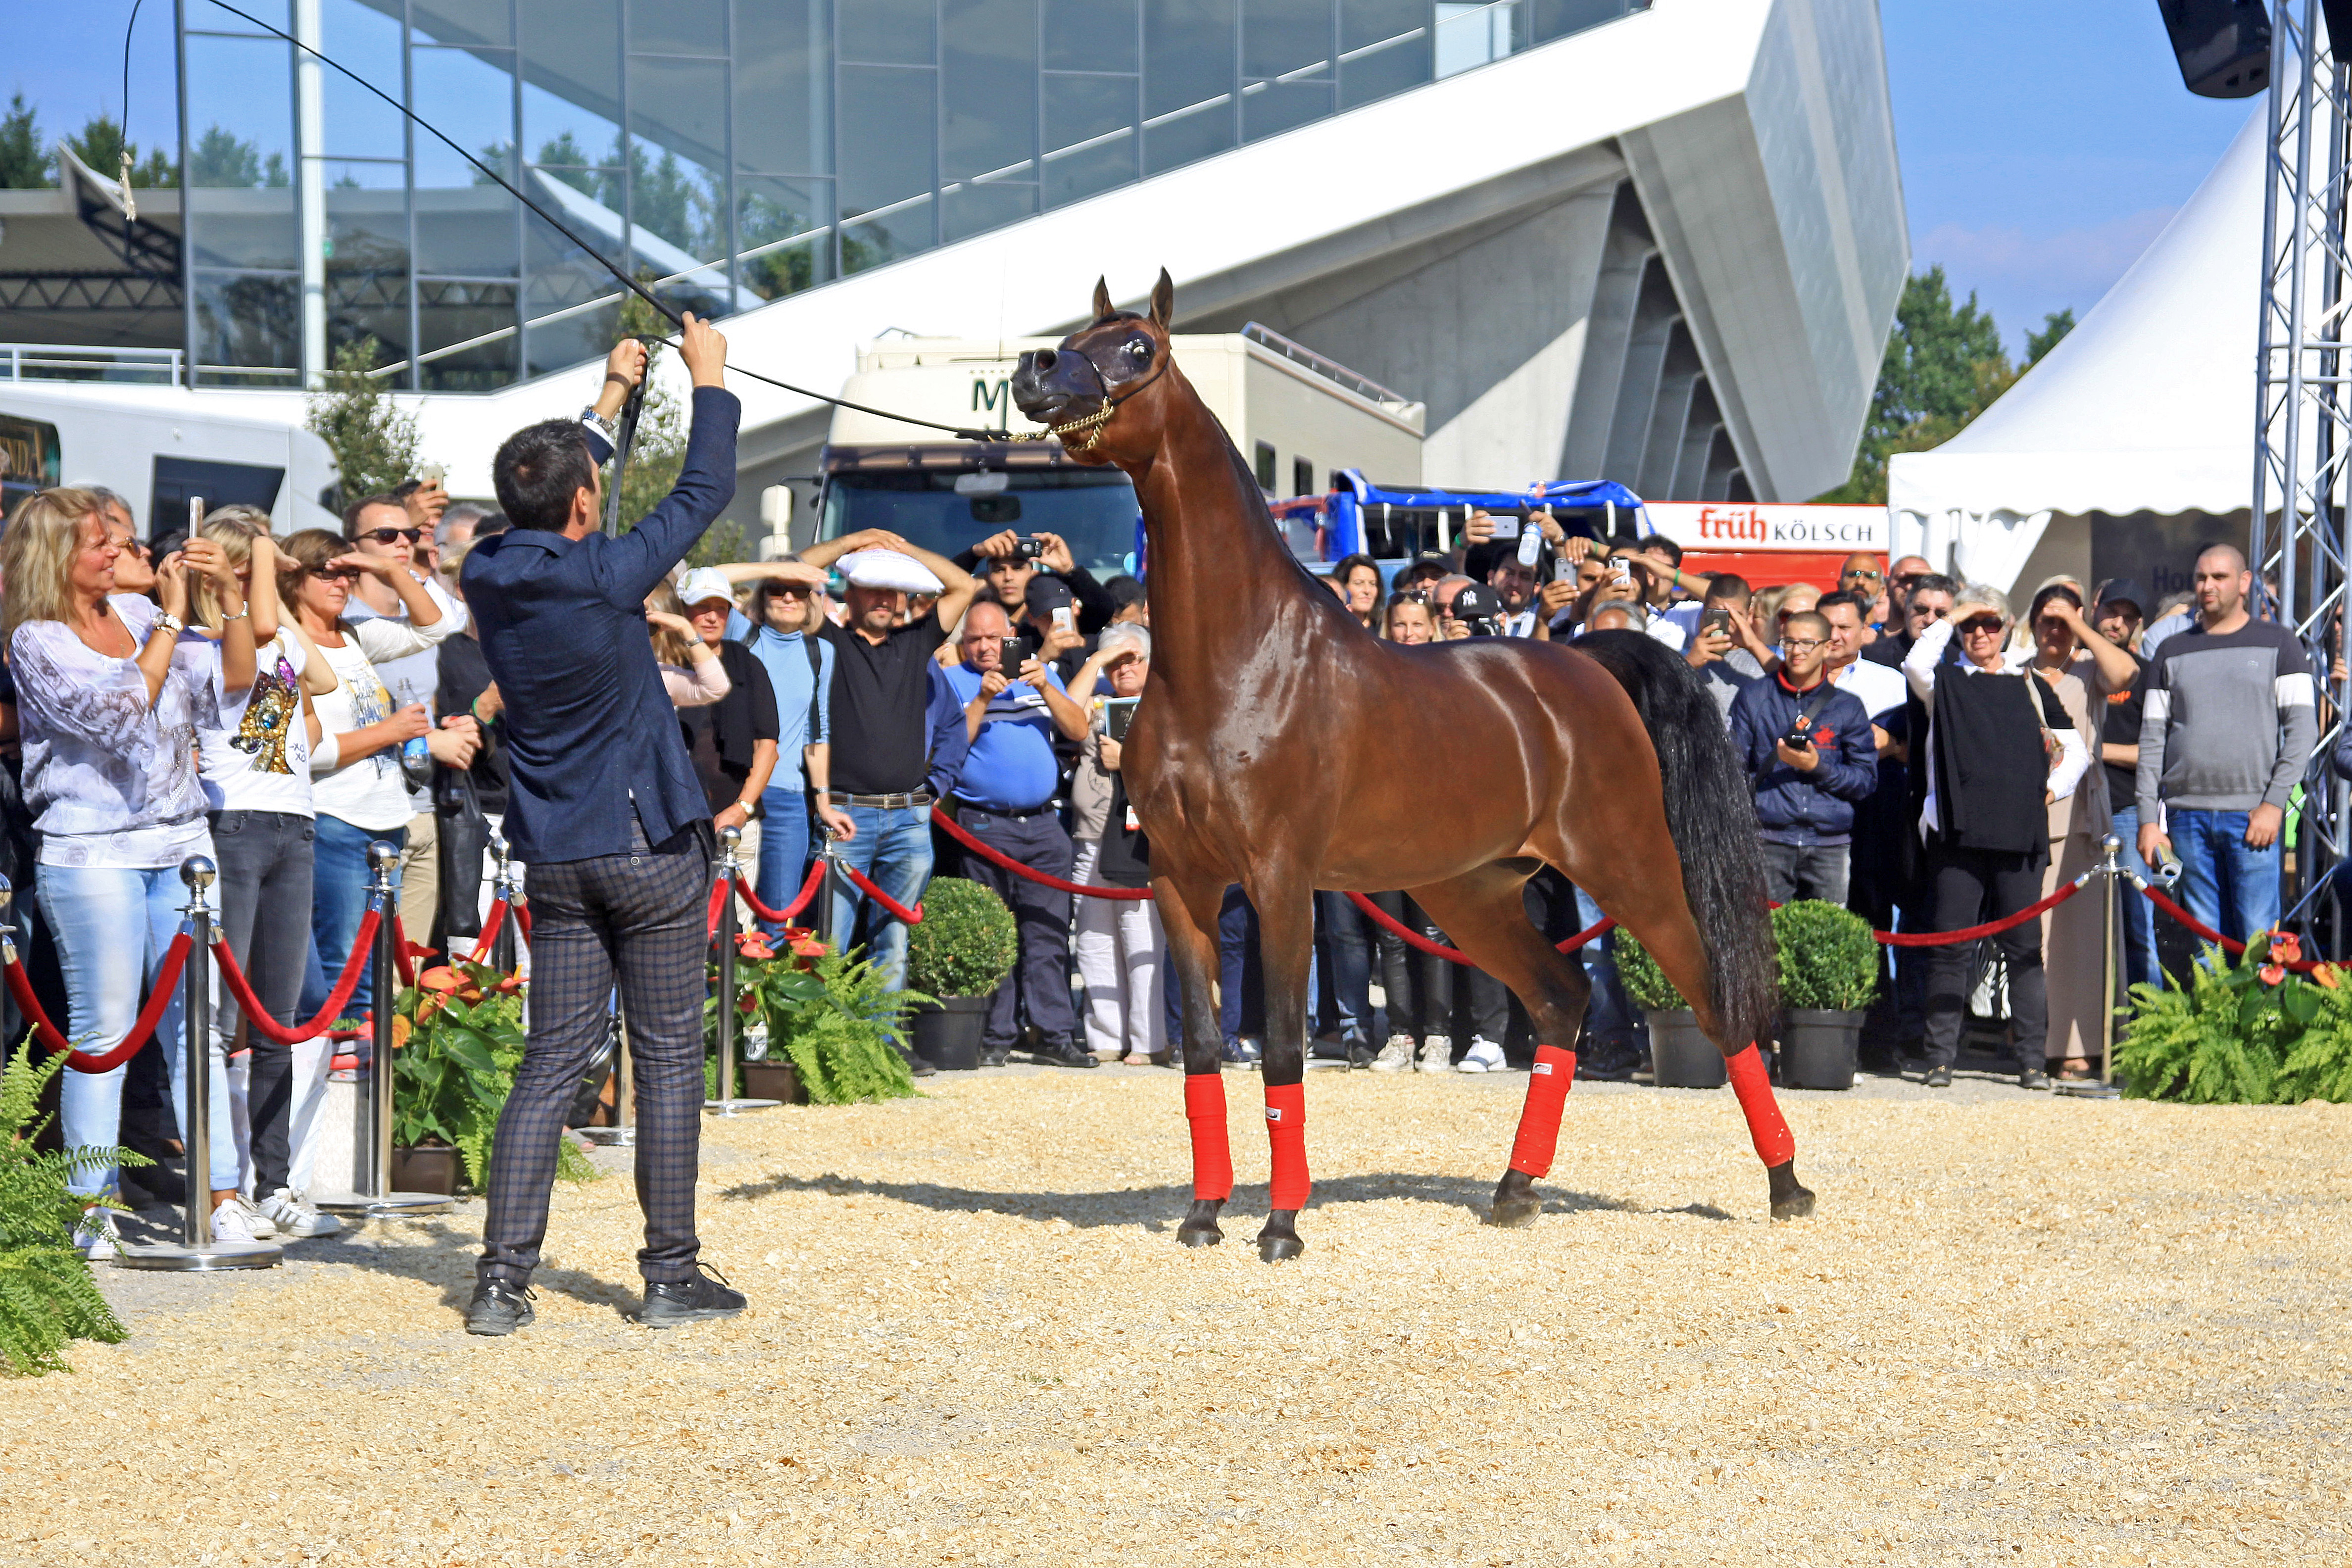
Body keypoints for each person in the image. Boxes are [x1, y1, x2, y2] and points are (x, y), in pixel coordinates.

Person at [463, 315, 781, 1336]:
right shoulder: (604, 574)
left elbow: (555, 489)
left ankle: (503, 1282)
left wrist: (612, 394)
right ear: (586, 506)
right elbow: (703, 492)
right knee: (669, 1059)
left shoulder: (486, 569)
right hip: (646, 849)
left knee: (549, 1062)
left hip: (556, 853)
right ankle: (670, 1274)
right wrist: (711, 380)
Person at [2, 488, 243, 1254]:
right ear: (57, 557)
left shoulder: (141, 618)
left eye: (117, 540)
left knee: (195, 1026)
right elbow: (117, 712)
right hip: (92, 849)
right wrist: (174, 618)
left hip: (182, 845)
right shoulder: (36, 640)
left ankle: (225, 1193)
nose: (118, 553)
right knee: (103, 1034)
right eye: (100, 544)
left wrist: (230, 595)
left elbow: (232, 684)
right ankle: (90, 1205)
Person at [187, 512, 342, 1240]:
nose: (277, 565)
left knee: (278, 1017)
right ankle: (218, 1191)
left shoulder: (282, 635)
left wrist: (268, 599)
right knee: (219, 1020)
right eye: (265, 556)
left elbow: (324, 677)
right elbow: (241, 665)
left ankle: (274, 1181)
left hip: (293, 824)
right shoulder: (210, 635)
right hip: (235, 824)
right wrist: (243, 582)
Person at [1904, 587, 2092, 1089]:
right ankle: (1941, 1058)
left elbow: (2076, 753)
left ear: (2008, 628)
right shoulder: (1942, 680)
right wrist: (1956, 614)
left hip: (2019, 837)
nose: (1980, 634)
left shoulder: (2029, 684)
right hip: (1957, 836)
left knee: (2025, 950)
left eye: (1990, 624)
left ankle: (2032, 1061)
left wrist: (2047, 794)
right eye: (1971, 625)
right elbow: (1915, 662)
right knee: (1950, 948)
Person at [795, 529, 981, 992]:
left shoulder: (916, 644)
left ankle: (878, 1057)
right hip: (844, 818)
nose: (883, 599)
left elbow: (965, 586)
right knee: (830, 948)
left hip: (909, 820)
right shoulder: (830, 642)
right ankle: (830, 1054)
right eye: (872, 588)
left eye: (892, 590)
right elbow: (794, 572)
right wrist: (854, 542)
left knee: (892, 949)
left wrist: (908, 551)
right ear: (850, 594)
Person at [285, 528, 455, 1027]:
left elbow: (435, 626)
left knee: (379, 964)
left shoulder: (354, 633)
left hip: (387, 819)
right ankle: (344, 1086)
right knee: (342, 966)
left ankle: (370, 1083)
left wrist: (388, 569)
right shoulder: (285, 644)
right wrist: (389, 733)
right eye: (325, 572)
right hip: (334, 820)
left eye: (348, 573)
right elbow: (303, 753)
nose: (340, 582)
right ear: (294, 578)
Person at [2136, 544, 2317, 946]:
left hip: (2253, 816)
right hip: (2186, 818)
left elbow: (2304, 731)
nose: (2208, 586)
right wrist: (2149, 819)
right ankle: (2210, 1014)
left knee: (2260, 942)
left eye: (2220, 577)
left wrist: (2273, 806)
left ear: (2245, 582)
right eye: (2201, 578)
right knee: (2205, 948)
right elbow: (2151, 741)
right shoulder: (2171, 650)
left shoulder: (2281, 644)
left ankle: (2263, 1014)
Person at [940, 598, 1094, 1069]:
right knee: (996, 935)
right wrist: (983, 699)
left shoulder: (1037, 673)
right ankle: (996, 1035)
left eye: (993, 638)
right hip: (985, 824)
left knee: (1047, 933)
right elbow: (947, 745)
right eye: (974, 640)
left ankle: (1054, 1033)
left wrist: (1046, 685)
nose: (985, 648)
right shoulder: (952, 682)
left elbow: (1078, 728)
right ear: (963, 644)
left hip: (1045, 824)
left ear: (1010, 636)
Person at [341, 491, 473, 945]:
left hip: (426, 808)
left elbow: (433, 703)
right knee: (361, 963)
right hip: (362, 815)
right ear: (354, 547)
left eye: (410, 534)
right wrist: (425, 743)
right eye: (386, 534)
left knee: (409, 971)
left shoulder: (427, 622)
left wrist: (462, 727)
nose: (402, 542)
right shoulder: (341, 622)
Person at [2023, 584, 2139, 1078]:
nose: (2055, 630)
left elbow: (2126, 672)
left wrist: (2078, 625)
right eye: (2046, 620)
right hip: (2028, 813)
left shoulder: (2091, 670)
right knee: (2037, 938)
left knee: (2085, 941)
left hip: (2083, 818)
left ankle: (2081, 1046)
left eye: (2062, 621)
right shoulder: (2014, 672)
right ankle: (2034, 1042)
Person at [708, 560, 839, 925]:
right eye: (777, 588)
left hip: (787, 799)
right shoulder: (740, 633)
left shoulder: (821, 653)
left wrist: (824, 803)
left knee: (777, 917)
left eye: (798, 590)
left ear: (811, 601)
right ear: (763, 596)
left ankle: (763, 985)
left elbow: (819, 730)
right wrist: (778, 566)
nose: (787, 596)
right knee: (721, 920)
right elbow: (709, 578)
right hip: (735, 793)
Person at [1727, 609, 1877, 904]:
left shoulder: (1847, 707)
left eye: (1807, 643)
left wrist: (1817, 768)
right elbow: (1732, 771)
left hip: (1829, 845)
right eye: (1789, 642)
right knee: (1766, 940)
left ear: (1826, 646)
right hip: (1767, 840)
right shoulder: (1754, 697)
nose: (1797, 651)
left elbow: (1865, 781)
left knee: (1827, 941)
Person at [1065, 624, 1164, 1065]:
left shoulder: (1166, 704)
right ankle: (1105, 1035)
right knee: (1092, 937)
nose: (1125, 668)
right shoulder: (1096, 701)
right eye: (1116, 661)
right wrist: (1097, 661)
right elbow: (1067, 713)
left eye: (1133, 659)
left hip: (1140, 838)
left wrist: (1130, 761)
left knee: (1140, 937)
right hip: (1090, 833)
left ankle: (1147, 1041)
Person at [674, 569, 781, 913]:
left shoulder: (747, 665)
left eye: (720, 608)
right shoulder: (664, 663)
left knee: (734, 930)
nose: (711, 616)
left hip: (737, 821)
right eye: (701, 606)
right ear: (681, 611)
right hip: (674, 823)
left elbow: (768, 746)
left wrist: (742, 808)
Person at [2090, 583, 2160, 991]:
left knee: (2140, 928)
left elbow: (2158, 753)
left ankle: (2149, 1029)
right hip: (2071, 810)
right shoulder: (2070, 665)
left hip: (2128, 812)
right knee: (2073, 926)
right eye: (2112, 612)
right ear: (2095, 609)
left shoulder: (2147, 673)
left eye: (2128, 617)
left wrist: (2094, 749)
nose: (2118, 623)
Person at [1681, 573, 1766, 719]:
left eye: (1734, 615)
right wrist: (1688, 665)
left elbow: (1794, 688)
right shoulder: (1683, 656)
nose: (1725, 622)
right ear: (1704, 611)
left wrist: (1753, 645)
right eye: (1717, 613)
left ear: (1749, 614)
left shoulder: (1765, 658)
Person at [1329, 553, 1383, 633]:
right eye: (1359, 583)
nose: (1367, 591)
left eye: (1373, 584)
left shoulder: (1384, 630)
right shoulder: (1330, 630)